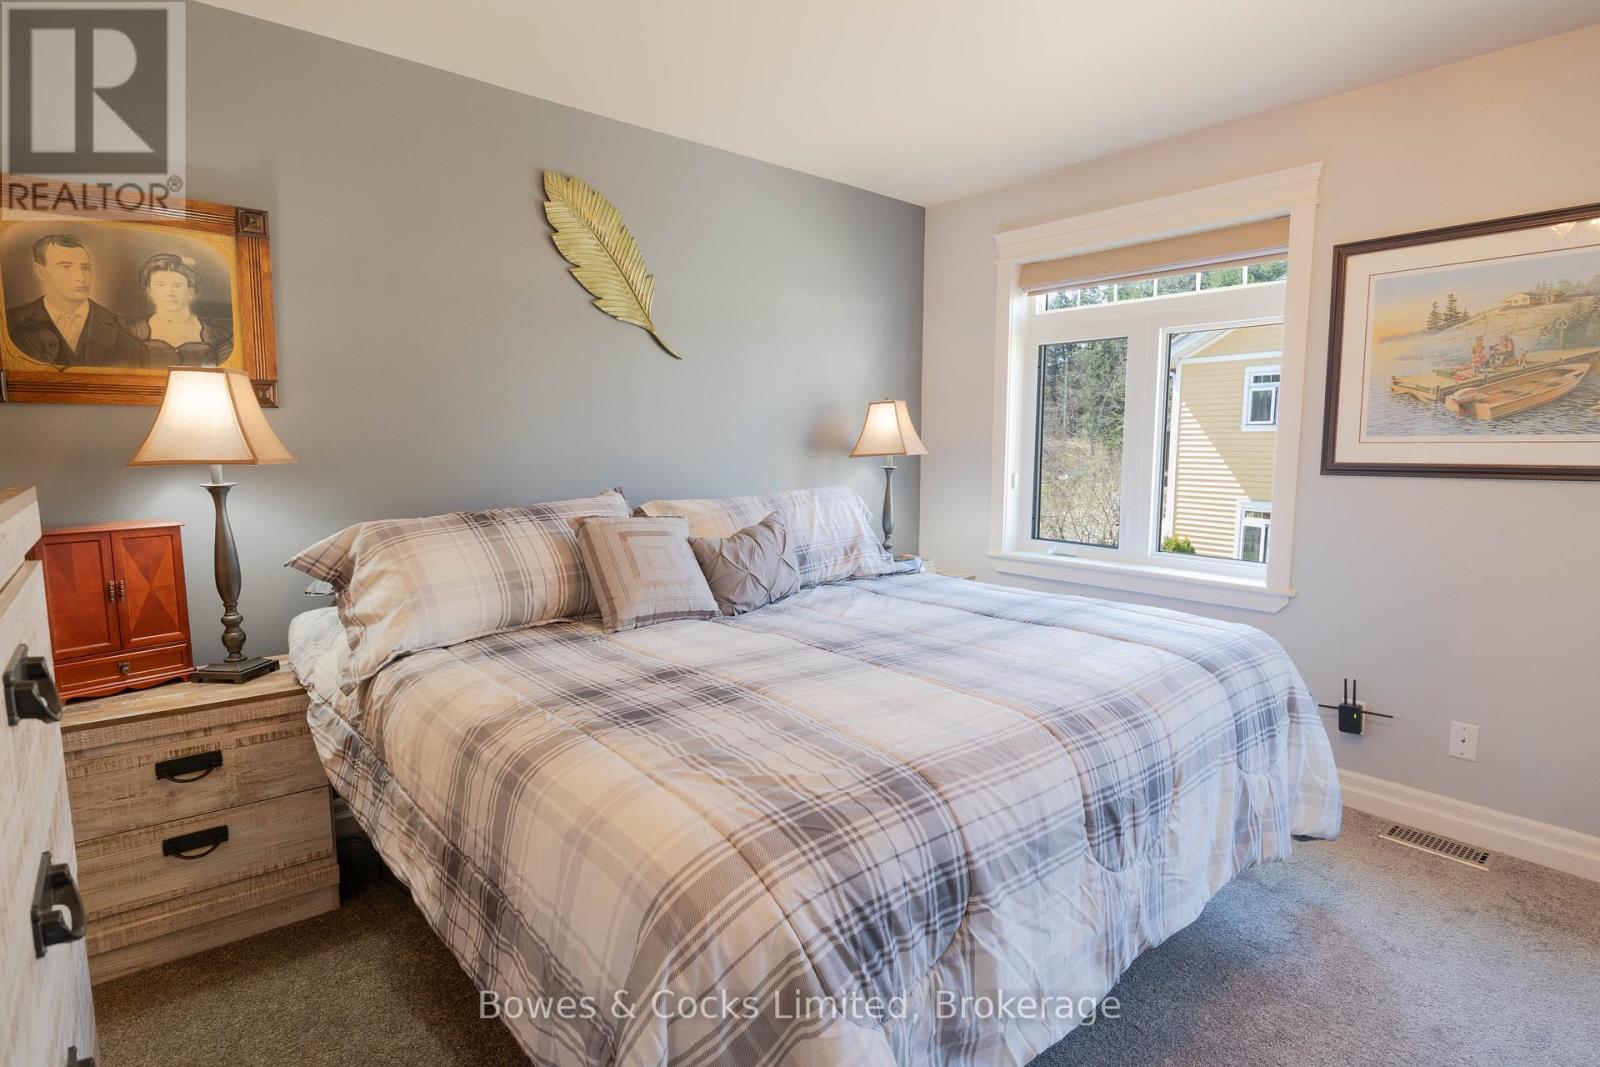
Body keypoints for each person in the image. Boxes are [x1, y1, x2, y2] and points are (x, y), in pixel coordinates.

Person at [5, 233, 143, 367]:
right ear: (40, 271)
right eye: (66, 266)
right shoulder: (9, 322)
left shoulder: (126, 328)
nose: (81, 277)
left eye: (85, 268)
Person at [120, 253, 233, 367]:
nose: (169, 293)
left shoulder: (219, 335)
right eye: (160, 285)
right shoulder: (131, 331)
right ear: (149, 290)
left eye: (178, 285)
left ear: (190, 291)